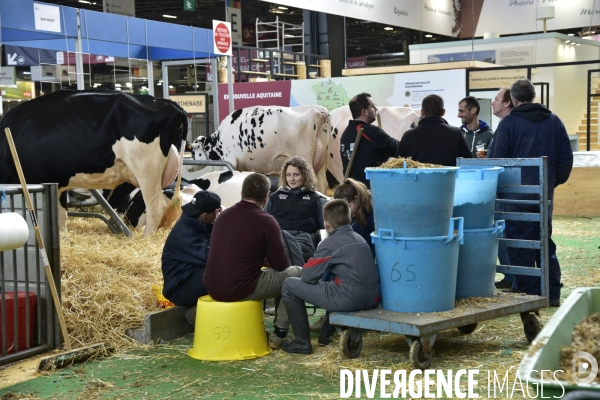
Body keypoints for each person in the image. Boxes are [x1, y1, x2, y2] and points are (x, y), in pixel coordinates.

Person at [488, 79, 573, 307]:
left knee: (520, 242)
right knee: (544, 239)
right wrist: (551, 182)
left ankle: (530, 293)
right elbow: (566, 157)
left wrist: (503, 188)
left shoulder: (508, 124)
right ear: (533, 96)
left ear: (514, 100)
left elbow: (496, 161)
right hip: (543, 194)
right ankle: (552, 292)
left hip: (516, 195)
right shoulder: (554, 121)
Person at [203, 173, 302, 348]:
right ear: (266, 198)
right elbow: (281, 265)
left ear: (241, 192)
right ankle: (279, 334)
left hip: (211, 286)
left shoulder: (223, 216)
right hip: (240, 288)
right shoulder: (267, 221)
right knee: (295, 274)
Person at [280, 199, 381, 354]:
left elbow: (308, 276)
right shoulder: (360, 239)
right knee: (335, 283)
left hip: (350, 298)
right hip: (374, 297)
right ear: (350, 219)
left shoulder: (330, 243)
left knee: (289, 285)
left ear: (326, 224)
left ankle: (301, 342)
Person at [161, 191, 222, 310]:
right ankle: (193, 314)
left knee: (224, 272)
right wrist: (220, 225)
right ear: (205, 215)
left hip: (191, 275)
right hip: (179, 287)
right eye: (216, 214)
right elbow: (213, 258)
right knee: (222, 275)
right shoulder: (184, 233)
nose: (217, 216)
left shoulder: (199, 224)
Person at [264, 156, 328, 261]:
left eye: (296, 175)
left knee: (293, 250)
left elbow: (327, 227)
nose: (291, 179)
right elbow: (264, 223)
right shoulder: (274, 197)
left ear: (304, 175)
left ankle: (295, 273)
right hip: (280, 237)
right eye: (288, 175)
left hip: (304, 238)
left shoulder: (316, 199)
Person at [340, 92, 401, 188]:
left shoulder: (345, 133)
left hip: (352, 189)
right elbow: (399, 148)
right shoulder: (371, 131)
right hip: (370, 190)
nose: (376, 109)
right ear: (364, 112)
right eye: (373, 107)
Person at [398, 94, 472, 165]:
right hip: (447, 178)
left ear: (422, 112)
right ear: (443, 112)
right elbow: (468, 163)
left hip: (417, 178)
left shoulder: (408, 136)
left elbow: (397, 165)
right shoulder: (456, 134)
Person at [490, 87, 515, 289]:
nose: (492, 102)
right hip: (506, 185)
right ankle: (510, 275)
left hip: (507, 186)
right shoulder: (503, 125)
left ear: (507, 103)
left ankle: (513, 276)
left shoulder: (509, 124)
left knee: (507, 230)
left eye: (496, 99)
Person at [333, 178, 376, 257]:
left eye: (348, 207)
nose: (345, 212)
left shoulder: (372, 217)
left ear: (356, 199)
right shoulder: (351, 216)